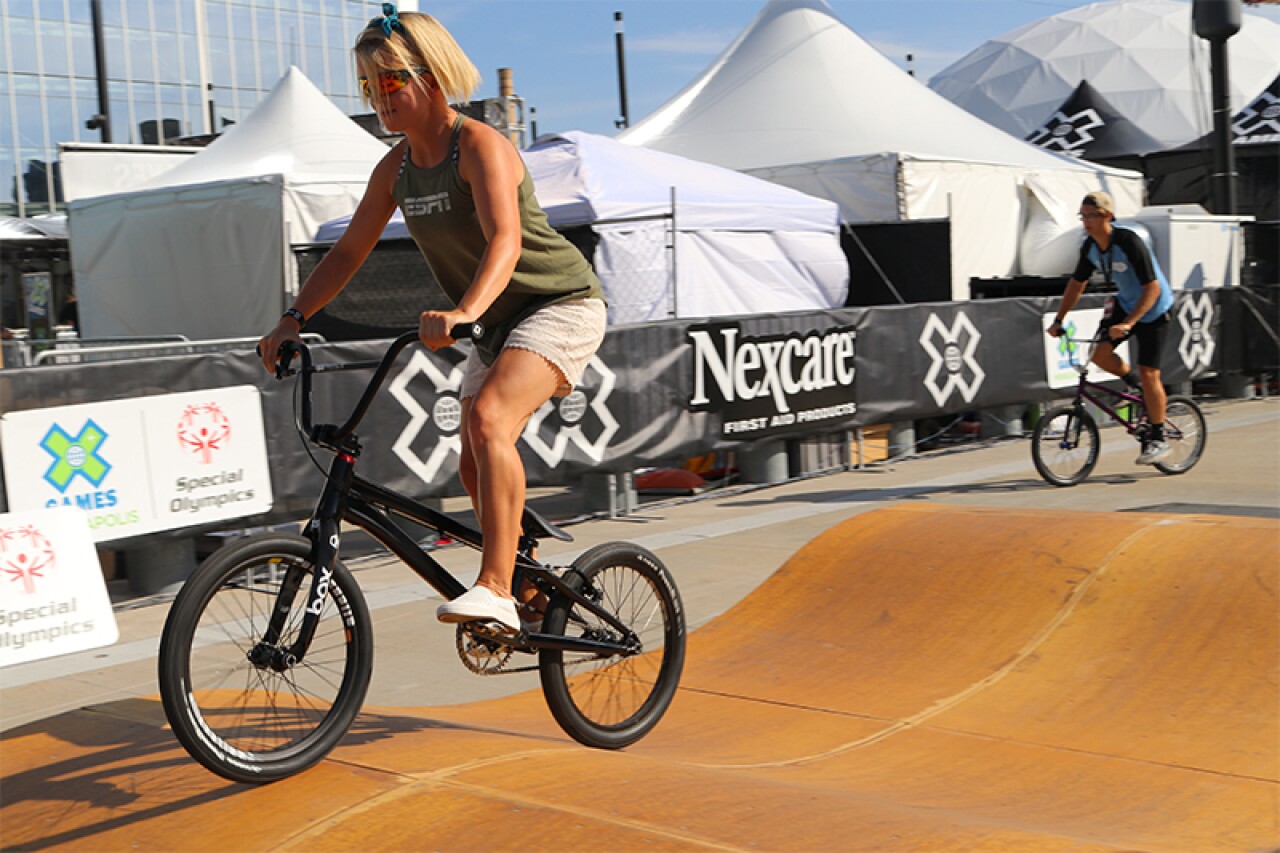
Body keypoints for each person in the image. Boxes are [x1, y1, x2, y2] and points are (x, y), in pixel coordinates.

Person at [257, 3, 607, 632]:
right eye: (368, 85)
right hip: (495, 324)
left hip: (558, 304)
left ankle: (497, 585)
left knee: (488, 416)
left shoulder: (479, 145)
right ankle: (523, 575)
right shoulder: (393, 170)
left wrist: (466, 309)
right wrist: (292, 317)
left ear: (433, 76)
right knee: (473, 455)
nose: (378, 97)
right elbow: (345, 253)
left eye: (390, 80)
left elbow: (506, 240)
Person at [1047, 191, 1174, 464]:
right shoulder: (1090, 246)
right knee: (1100, 355)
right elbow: (1076, 283)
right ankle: (1137, 388)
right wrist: (1059, 319)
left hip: (1154, 308)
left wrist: (1129, 323)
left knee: (1150, 371)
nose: (1086, 222)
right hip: (1126, 303)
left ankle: (1159, 438)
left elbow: (1152, 288)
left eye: (1092, 216)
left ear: (1108, 216)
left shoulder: (1128, 241)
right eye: (1083, 216)